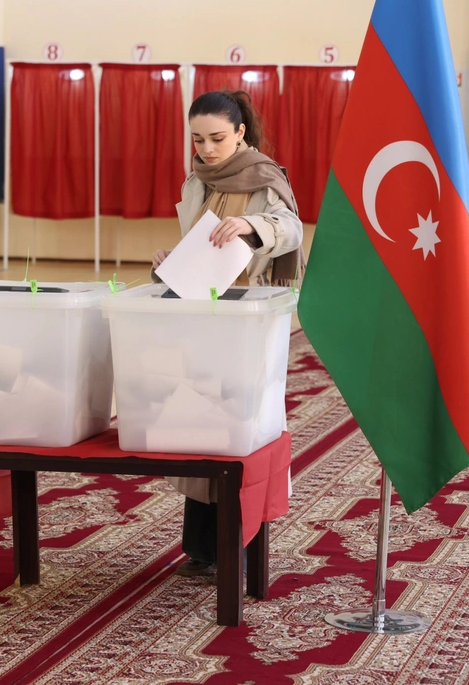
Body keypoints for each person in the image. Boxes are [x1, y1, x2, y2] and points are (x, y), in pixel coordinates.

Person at [152, 89, 304, 577]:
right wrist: (171, 262)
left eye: (217, 138)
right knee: (201, 427)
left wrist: (250, 224)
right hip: (202, 317)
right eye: (198, 140)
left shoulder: (264, 176)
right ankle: (201, 548)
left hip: (246, 320)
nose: (207, 149)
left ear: (240, 132)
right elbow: (199, 248)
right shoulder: (197, 179)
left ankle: (239, 547)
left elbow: (292, 228)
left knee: (241, 430)